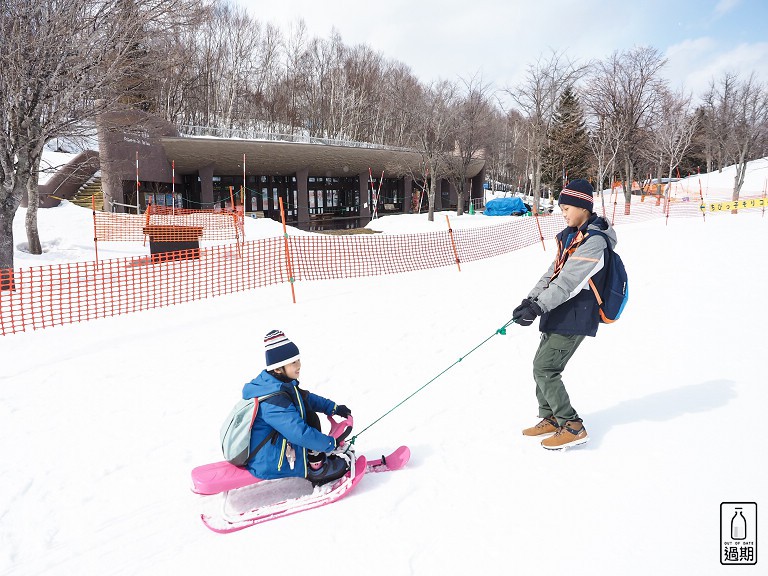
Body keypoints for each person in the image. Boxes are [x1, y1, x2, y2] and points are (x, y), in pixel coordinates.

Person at [511, 179, 618, 450]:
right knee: (541, 365)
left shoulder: (595, 242)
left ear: (583, 206)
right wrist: (530, 299)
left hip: (577, 313)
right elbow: (552, 272)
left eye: (567, 207)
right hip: (559, 308)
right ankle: (551, 417)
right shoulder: (571, 235)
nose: (564, 213)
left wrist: (538, 307)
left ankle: (572, 425)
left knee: (545, 368)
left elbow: (568, 282)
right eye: (562, 209)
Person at [242, 329, 353, 485]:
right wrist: (329, 444)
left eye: (298, 360)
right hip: (268, 461)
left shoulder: (278, 384)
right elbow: (299, 434)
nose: (299, 365)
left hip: (273, 450)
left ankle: (314, 455)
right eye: (293, 362)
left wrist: (333, 407)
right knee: (308, 420)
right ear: (278, 368)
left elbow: (306, 398)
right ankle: (317, 469)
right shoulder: (273, 400)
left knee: (307, 411)